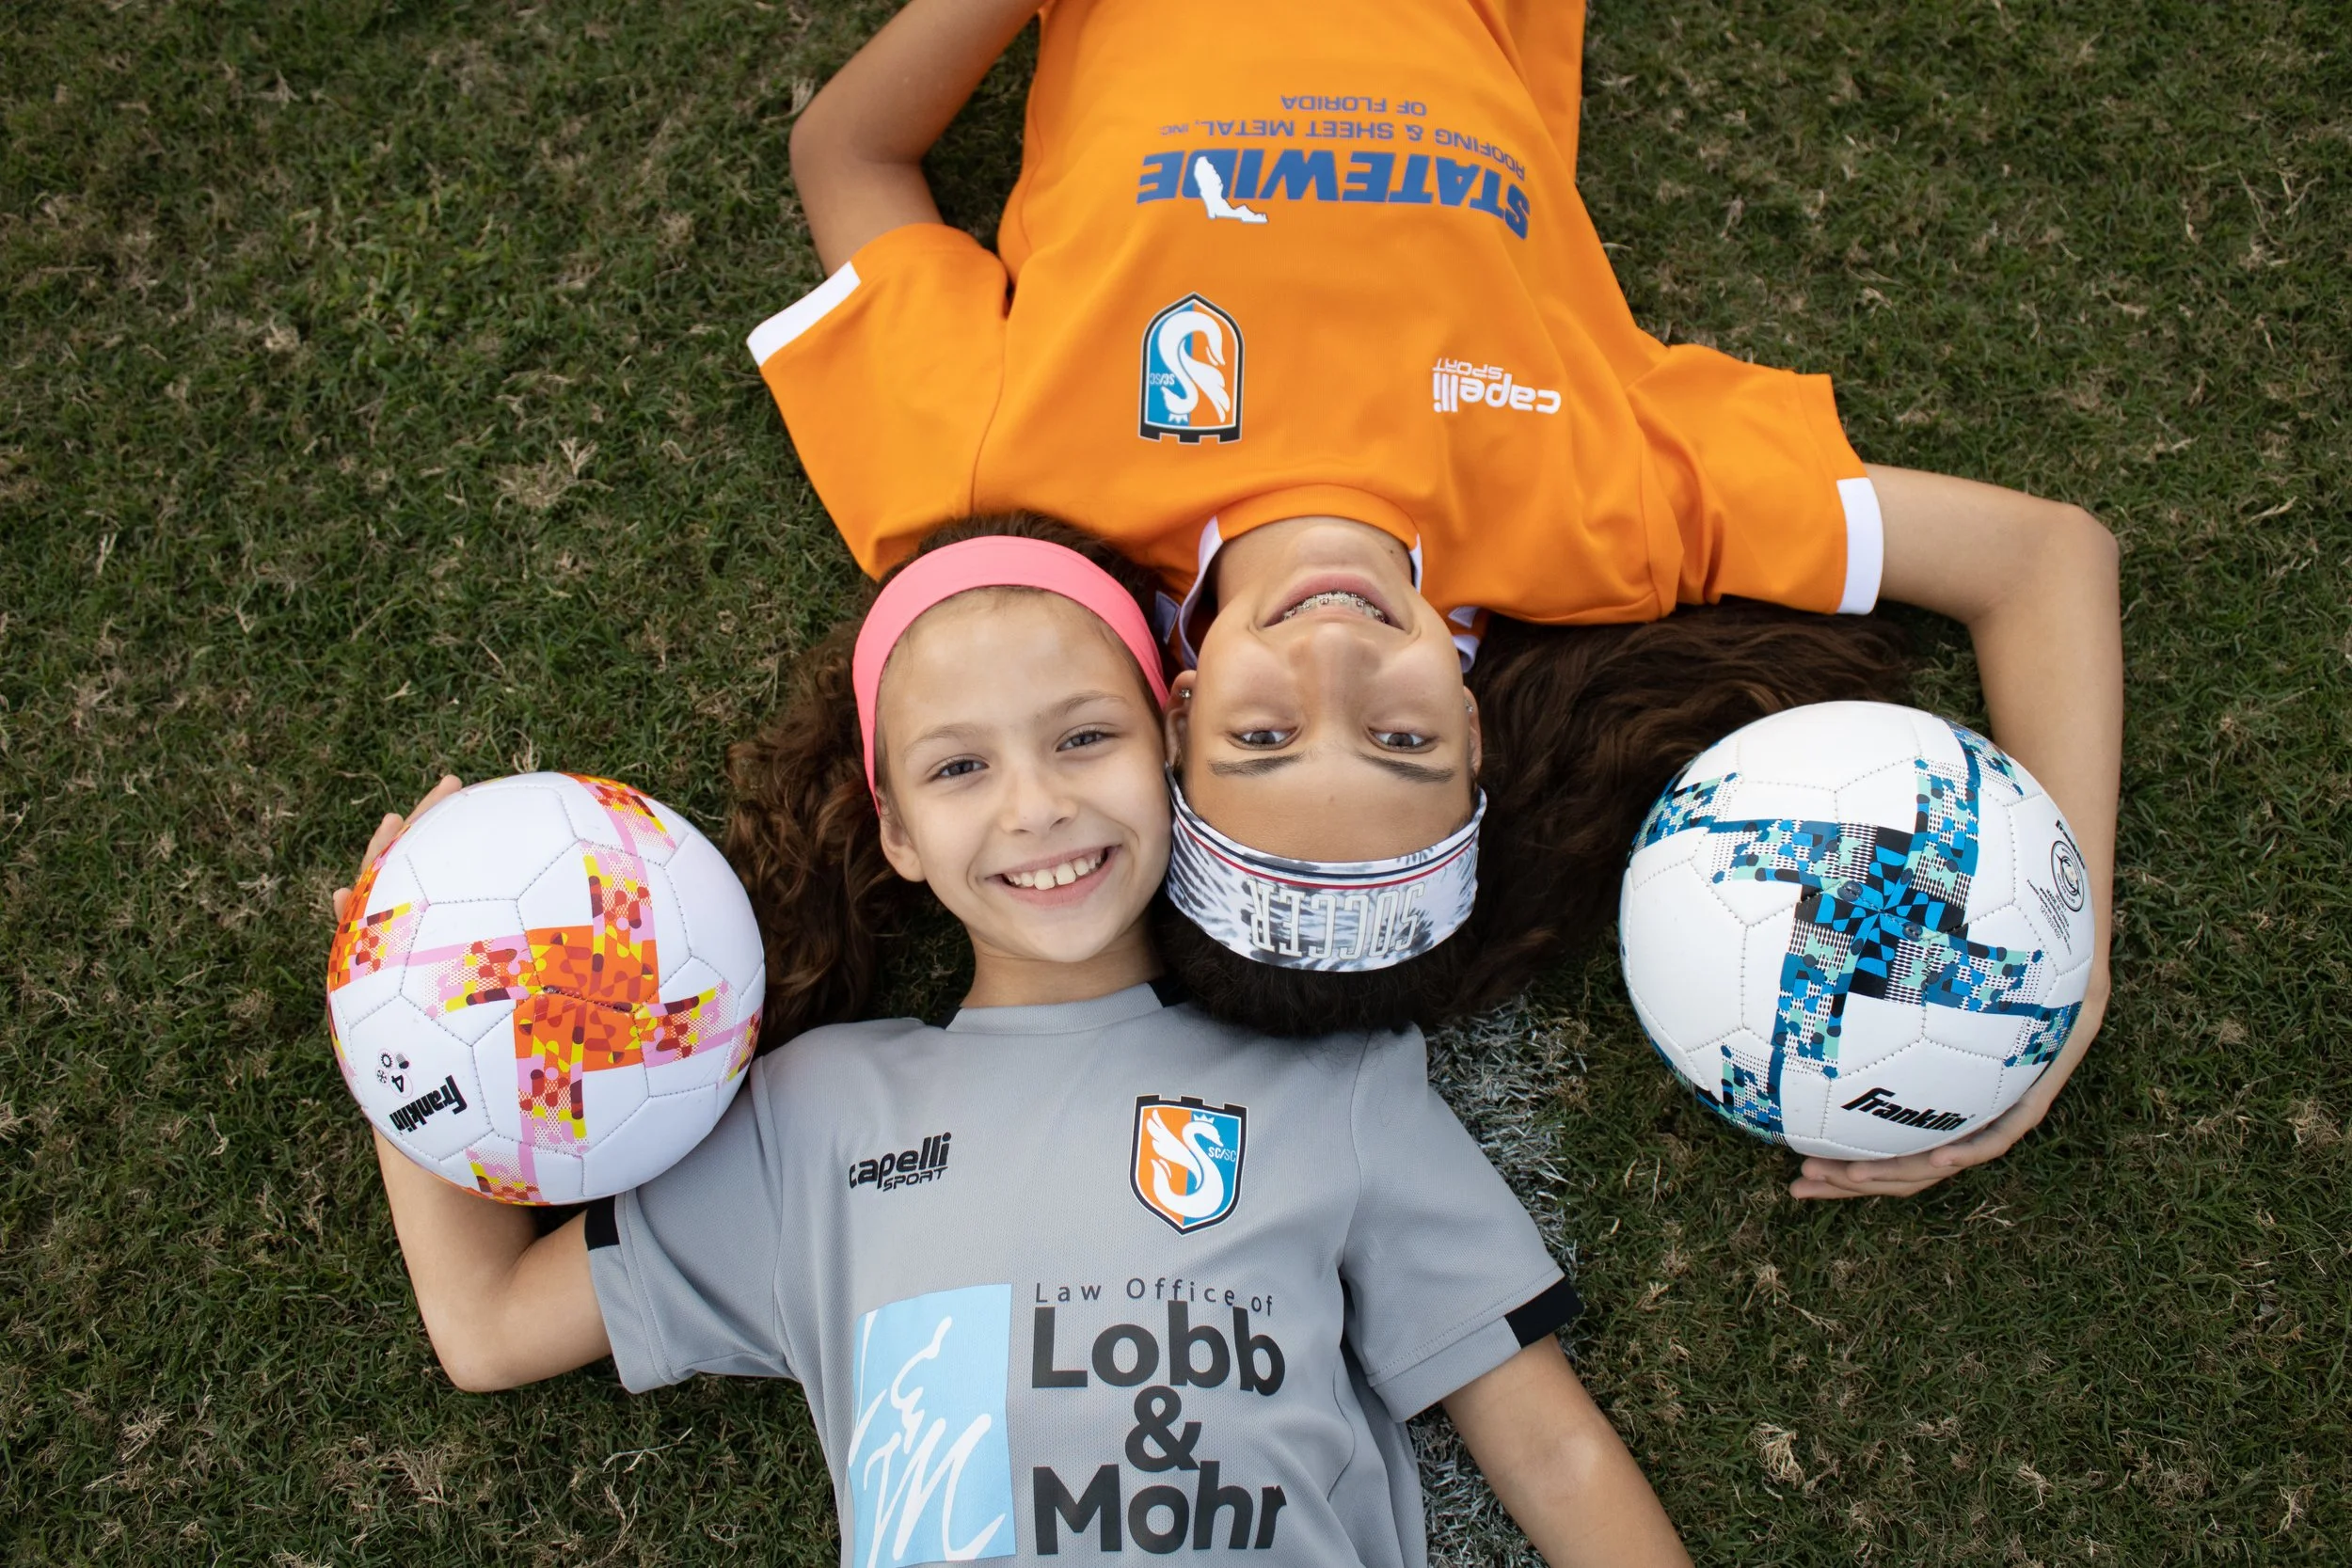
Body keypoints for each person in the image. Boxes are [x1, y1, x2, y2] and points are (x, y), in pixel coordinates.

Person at [754, 0, 2122, 1200]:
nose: (1335, 668)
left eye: (1263, 741)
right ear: (1476, 735)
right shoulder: (1610, 510)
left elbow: (849, 155)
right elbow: (2043, 559)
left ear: (1171, 712)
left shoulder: (993, 476)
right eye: (1401, 743)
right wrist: (2072, 955)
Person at [330, 521, 1693, 1567]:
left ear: (1171, 737)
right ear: (899, 834)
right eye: (959, 767)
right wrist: (416, 1005)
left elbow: (1554, 1448)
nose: (1037, 805)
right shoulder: (814, 1115)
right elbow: (487, 1326)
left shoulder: (1333, 1082)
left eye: (1083, 737)